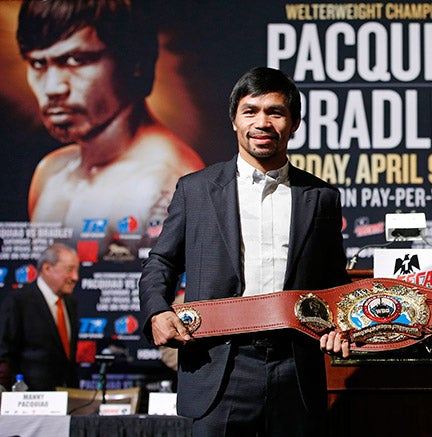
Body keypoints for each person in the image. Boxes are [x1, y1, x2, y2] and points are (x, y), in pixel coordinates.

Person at [139, 66, 350, 436]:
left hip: (295, 366)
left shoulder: (321, 197)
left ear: (295, 123)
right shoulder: (196, 189)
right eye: (250, 111)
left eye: (276, 112)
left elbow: (334, 280)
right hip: (217, 363)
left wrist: (343, 322)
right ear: (234, 120)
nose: (262, 122)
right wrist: (157, 310)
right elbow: (162, 261)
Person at [16, 0, 204, 253]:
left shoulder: (163, 182)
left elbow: (177, 292)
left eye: (75, 60)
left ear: (135, 62)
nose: (52, 88)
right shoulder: (51, 172)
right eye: (38, 64)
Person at [0, 243, 80, 391]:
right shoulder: (18, 301)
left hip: (67, 398)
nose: (75, 277)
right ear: (47, 268)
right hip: (29, 400)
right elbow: (4, 353)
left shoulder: (70, 303)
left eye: (77, 270)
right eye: (69, 269)